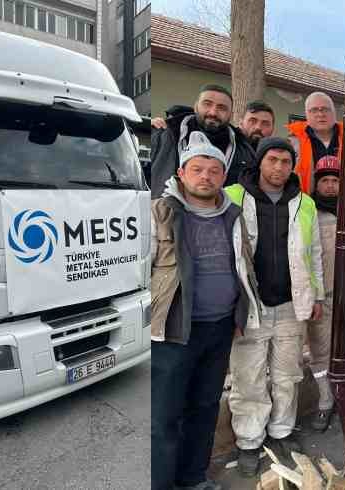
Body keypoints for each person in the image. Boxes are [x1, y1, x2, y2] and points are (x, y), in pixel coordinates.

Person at [150, 132, 262, 490]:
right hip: (172, 332)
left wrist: (241, 313)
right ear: (182, 173)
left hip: (219, 329)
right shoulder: (160, 212)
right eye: (197, 169)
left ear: (222, 176)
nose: (206, 177)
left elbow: (244, 265)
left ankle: (193, 478)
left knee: (205, 408)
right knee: (165, 416)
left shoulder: (232, 213)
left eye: (214, 171)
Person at [224, 137, 324, 477]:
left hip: (290, 305)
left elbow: (315, 256)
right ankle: (249, 441)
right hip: (250, 304)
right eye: (273, 160)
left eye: (285, 161)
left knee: (286, 376)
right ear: (261, 162)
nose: (279, 167)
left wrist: (318, 296)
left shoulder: (305, 203)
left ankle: (281, 432)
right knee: (248, 377)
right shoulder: (234, 196)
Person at [149, 85, 256, 197]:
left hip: (221, 213)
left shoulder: (244, 153)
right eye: (207, 104)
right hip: (165, 211)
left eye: (222, 108)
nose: (213, 112)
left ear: (231, 114)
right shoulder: (163, 135)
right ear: (196, 107)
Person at [288, 91, 345, 198]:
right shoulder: (292, 143)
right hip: (304, 210)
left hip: (344, 210)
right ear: (307, 115)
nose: (320, 114)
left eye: (325, 109)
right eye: (314, 110)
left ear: (334, 113)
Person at [306, 155, 340, 433]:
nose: (330, 186)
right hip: (322, 296)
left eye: (335, 181)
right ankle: (326, 402)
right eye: (325, 181)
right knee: (320, 352)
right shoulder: (308, 213)